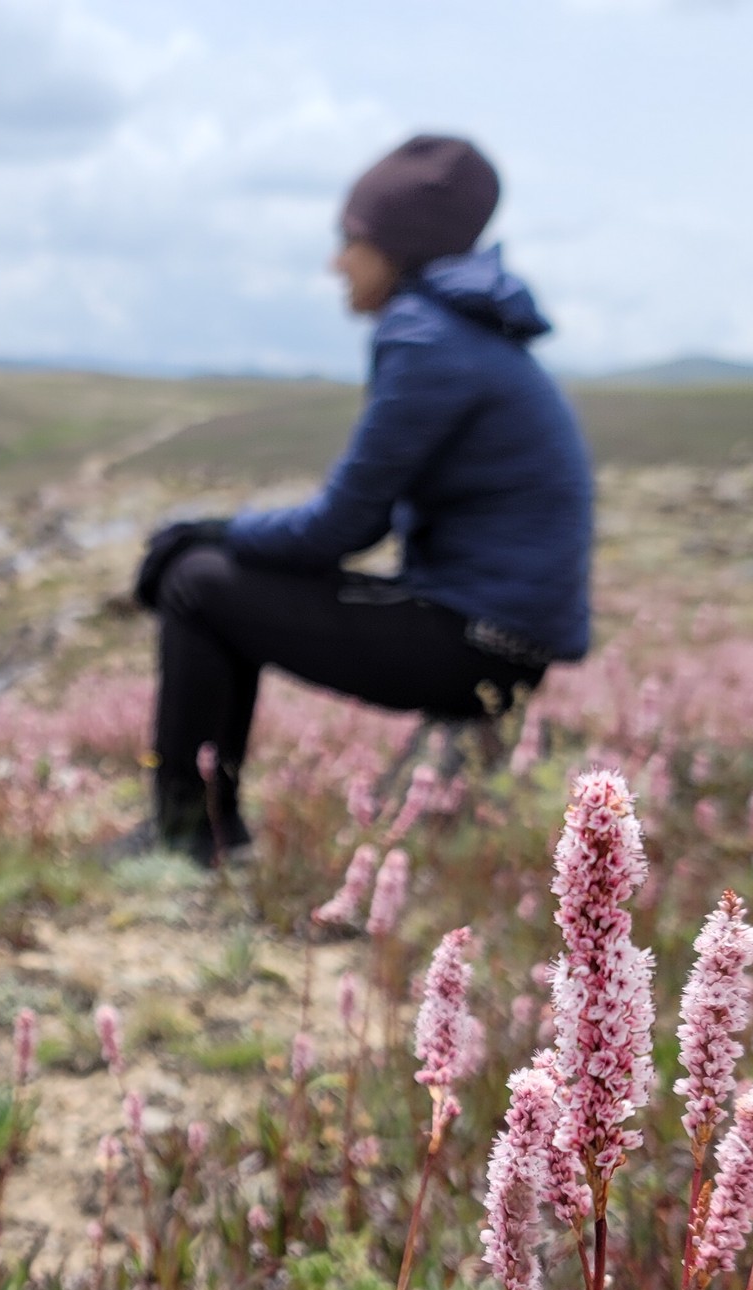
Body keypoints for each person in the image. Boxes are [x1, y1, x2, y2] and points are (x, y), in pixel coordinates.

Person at [121, 134, 593, 864]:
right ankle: (202, 827)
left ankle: (188, 836)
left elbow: (344, 524)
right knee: (212, 570)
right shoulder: (467, 332)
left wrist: (207, 532)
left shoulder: (426, 336)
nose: (336, 261)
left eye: (350, 239)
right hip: (499, 640)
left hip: (474, 646)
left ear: (396, 246)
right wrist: (221, 534)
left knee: (196, 582)